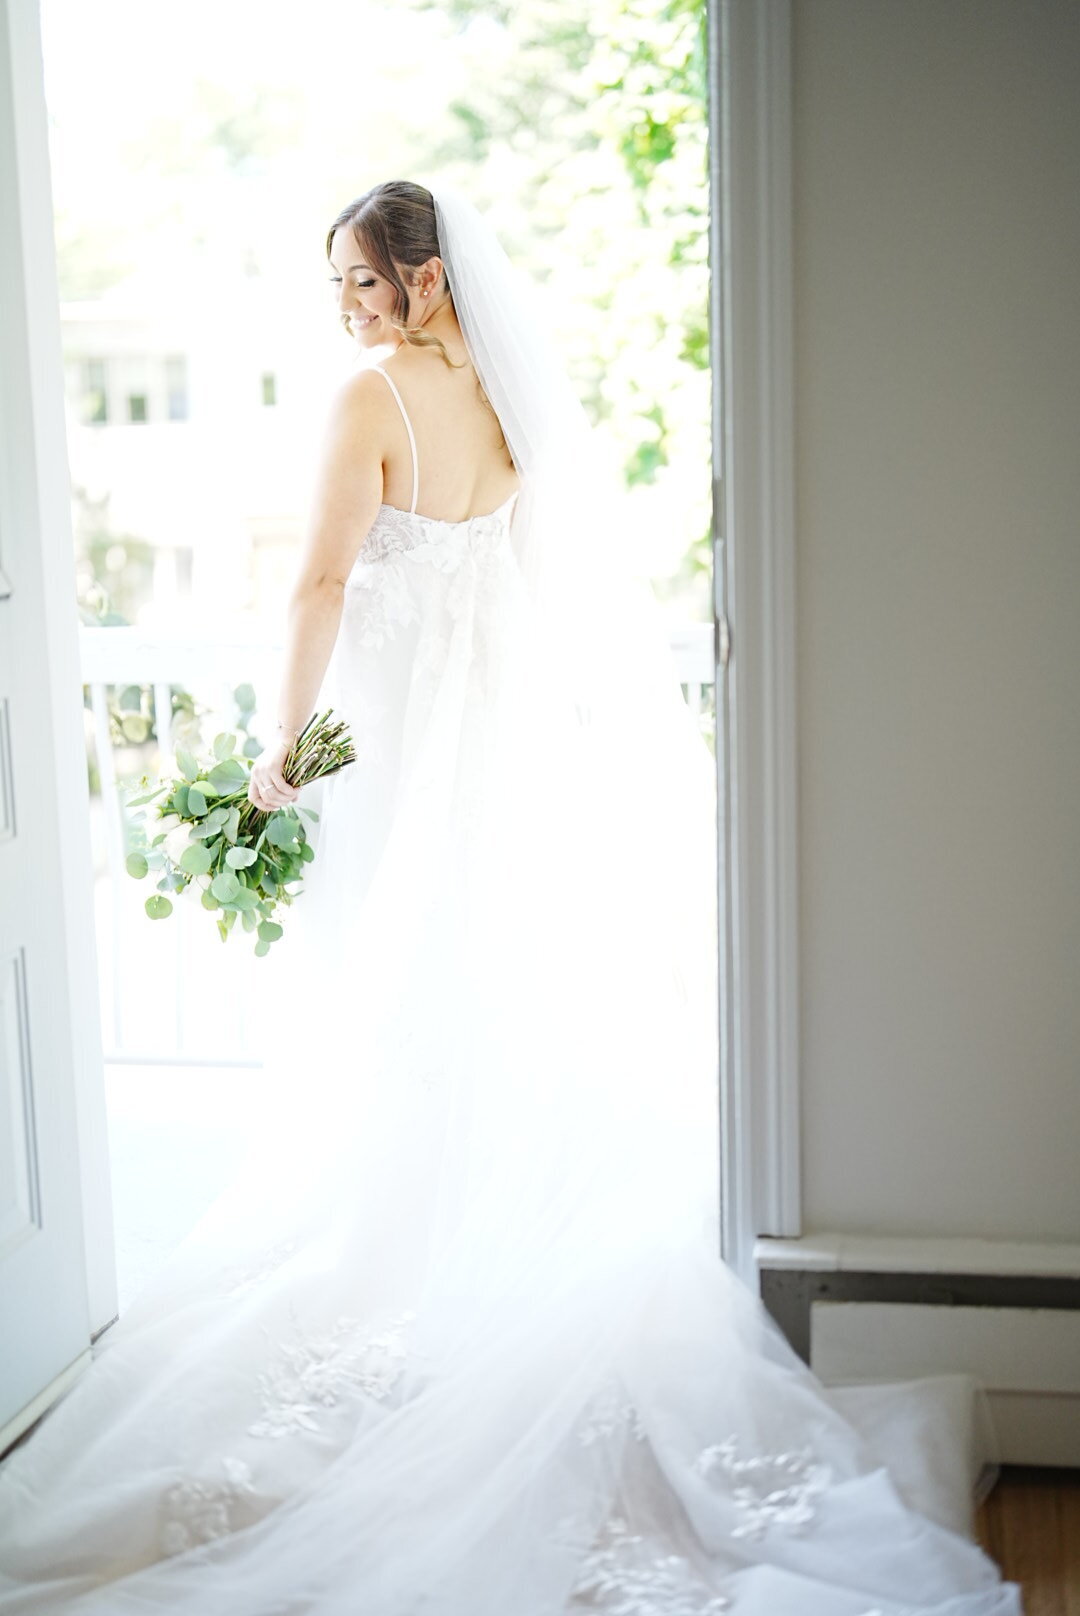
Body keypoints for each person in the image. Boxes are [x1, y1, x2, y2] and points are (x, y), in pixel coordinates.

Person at [0, 180, 1023, 1616]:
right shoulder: (508, 406)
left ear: (422, 279)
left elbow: (313, 585)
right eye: (340, 290)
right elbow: (530, 593)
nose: (347, 311)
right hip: (491, 757)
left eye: (362, 284)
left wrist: (274, 754)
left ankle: (420, 1279)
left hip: (399, 757)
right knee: (493, 1007)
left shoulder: (372, 400)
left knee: (398, 1013)